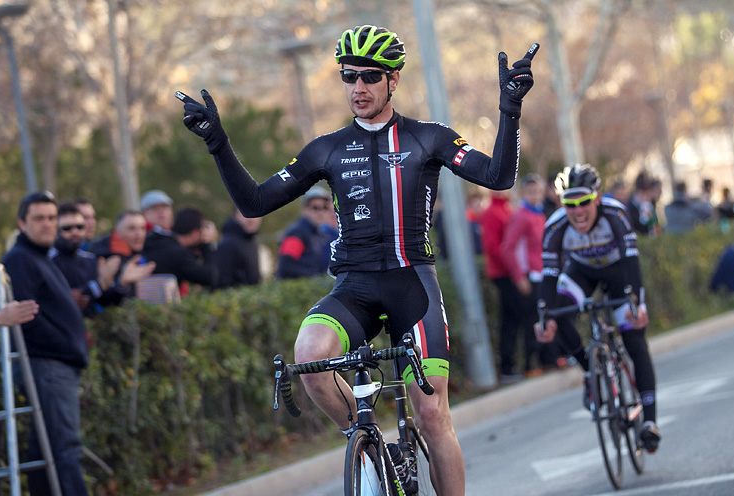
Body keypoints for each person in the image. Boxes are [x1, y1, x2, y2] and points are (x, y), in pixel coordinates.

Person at [177, 24, 538, 494]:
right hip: (355, 287)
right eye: (348, 76)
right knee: (309, 357)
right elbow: (255, 204)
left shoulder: (429, 138)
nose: (358, 87)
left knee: (432, 414)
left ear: (394, 79)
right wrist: (218, 145)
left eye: (369, 76)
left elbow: (498, 176)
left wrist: (509, 110)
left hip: (413, 285)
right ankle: (368, 441)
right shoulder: (326, 148)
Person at [534, 164, 661, 453]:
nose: (578, 212)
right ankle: (590, 372)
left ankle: (650, 422)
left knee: (635, 341)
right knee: (559, 315)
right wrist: (544, 316)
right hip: (582, 274)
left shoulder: (615, 214)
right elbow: (550, 275)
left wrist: (637, 303)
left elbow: (631, 262)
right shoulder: (555, 227)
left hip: (618, 274)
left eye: (583, 203)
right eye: (570, 204)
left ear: (598, 197)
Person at [1, 191, 90, 495]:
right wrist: (66, 347)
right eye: (39, 218)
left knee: (45, 452)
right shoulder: (21, 259)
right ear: (22, 224)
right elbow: (27, 318)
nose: (48, 224)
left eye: (52, 218)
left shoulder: (39, 257)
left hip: (55, 367)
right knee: (66, 449)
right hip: (48, 367)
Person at [501, 174, 559, 376]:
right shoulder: (521, 216)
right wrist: (519, 276)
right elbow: (508, 248)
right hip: (530, 276)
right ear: (524, 193)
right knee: (531, 321)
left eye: (538, 192)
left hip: (542, 273)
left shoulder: (539, 214)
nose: (536, 196)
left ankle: (548, 359)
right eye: (531, 192)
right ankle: (530, 363)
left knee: (546, 316)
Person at [479, 189, 518, 383]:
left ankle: (513, 365)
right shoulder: (491, 212)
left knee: (513, 318)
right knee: (510, 319)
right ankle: (507, 367)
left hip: (511, 271)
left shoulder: (507, 208)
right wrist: (512, 267)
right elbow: (493, 246)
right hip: (503, 273)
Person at [143, 205, 219, 291]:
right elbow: (210, 278)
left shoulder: (160, 241)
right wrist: (208, 245)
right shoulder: (177, 253)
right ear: (195, 233)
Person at [87, 209, 157, 301]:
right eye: (131, 228)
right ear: (117, 232)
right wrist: (122, 283)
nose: (139, 234)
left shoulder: (137, 251)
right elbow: (103, 301)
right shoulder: (102, 256)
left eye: (142, 228)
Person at [276, 186, 334, 280]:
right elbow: (286, 266)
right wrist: (315, 277)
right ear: (305, 210)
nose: (320, 212)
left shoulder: (319, 233)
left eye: (324, 207)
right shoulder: (297, 233)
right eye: (315, 208)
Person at [217, 208, 264, 287]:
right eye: (247, 215)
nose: (252, 219)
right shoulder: (227, 243)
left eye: (257, 215)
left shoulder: (251, 240)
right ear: (236, 215)